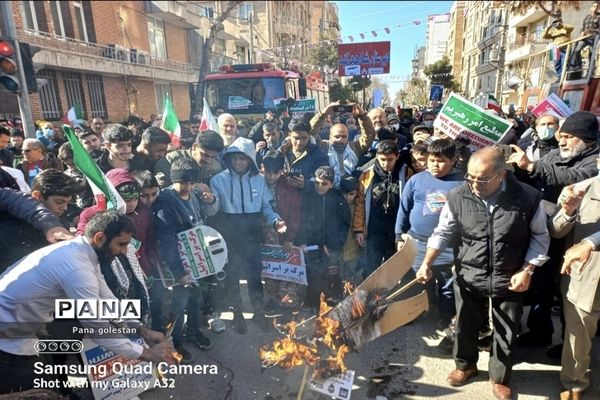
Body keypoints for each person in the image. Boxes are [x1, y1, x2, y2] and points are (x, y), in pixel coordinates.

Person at [416, 147, 550, 400]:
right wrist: (427, 262)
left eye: (482, 178)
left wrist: (528, 269)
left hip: (510, 275)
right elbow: (443, 232)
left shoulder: (528, 197)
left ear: (501, 175)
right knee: (465, 324)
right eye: (470, 177)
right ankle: (465, 366)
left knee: (506, 330)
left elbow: (540, 236)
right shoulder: (458, 196)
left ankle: (499, 377)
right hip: (469, 273)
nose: (475, 183)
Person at [0, 210, 173, 394]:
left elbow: (105, 297)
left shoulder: (82, 253)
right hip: (7, 343)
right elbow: (97, 328)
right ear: (100, 238)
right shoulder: (77, 268)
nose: (124, 251)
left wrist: (141, 329)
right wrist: (147, 353)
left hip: (19, 334)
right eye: (121, 244)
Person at [509, 111, 599, 351]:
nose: (561, 141)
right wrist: (517, 168)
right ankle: (540, 332)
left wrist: (532, 166)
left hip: (580, 239)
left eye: (568, 136)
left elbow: (572, 177)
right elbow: (534, 180)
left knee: (572, 295)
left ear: (586, 139)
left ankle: (572, 348)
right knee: (542, 286)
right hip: (547, 231)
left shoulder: (595, 162)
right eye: (562, 136)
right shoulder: (554, 155)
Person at [210, 137, 287, 334]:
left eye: (242, 159)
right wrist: (209, 201)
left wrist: (276, 221)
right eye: (234, 158)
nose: (238, 162)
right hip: (229, 232)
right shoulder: (218, 180)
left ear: (250, 160)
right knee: (232, 275)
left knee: (254, 274)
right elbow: (213, 209)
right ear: (228, 159)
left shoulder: (259, 180)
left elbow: (266, 207)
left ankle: (258, 312)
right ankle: (236, 314)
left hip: (252, 232)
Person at [153, 158, 219, 360]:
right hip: (179, 264)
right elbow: (167, 243)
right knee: (178, 305)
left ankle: (193, 332)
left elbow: (204, 216)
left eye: (192, 183)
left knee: (196, 300)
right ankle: (176, 342)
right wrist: (179, 273)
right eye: (184, 183)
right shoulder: (165, 203)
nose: (188, 188)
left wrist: (211, 200)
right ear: (174, 180)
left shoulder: (194, 195)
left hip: (198, 258)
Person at [395, 139, 464, 329]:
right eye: (432, 160)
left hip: (448, 247)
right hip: (417, 241)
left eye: (441, 160)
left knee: (447, 287)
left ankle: (445, 317)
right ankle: (417, 312)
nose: (435, 164)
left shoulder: (463, 182)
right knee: (418, 283)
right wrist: (399, 235)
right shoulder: (416, 180)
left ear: (453, 160)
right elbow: (404, 209)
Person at [549, 170, 600, 400]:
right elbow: (556, 231)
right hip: (585, 276)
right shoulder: (582, 189)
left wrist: (591, 242)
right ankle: (575, 382)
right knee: (577, 335)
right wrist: (568, 210)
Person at [296, 166, 350, 304]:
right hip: (311, 247)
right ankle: (311, 310)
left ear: (331, 184)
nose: (320, 186)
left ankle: (332, 310)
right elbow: (301, 221)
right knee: (313, 280)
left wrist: (338, 242)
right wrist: (302, 241)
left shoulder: (338, 199)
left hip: (332, 249)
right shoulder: (308, 196)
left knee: (333, 279)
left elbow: (345, 222)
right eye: (317, 182)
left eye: (324, 184)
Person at [354, 140, 405, 277]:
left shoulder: (405, 172)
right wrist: (358, 229)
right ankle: (368, 295)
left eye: (390, 159)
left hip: (395, 227)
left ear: (397, 156)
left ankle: (389, 296)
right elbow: (360, 202)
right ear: (377, 156)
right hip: (374, 227)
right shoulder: (367, 174)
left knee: (392, 266)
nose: (386, 164)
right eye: (382, 159)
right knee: (371, 265)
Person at [309, 102, 376, 187]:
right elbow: (310, 132)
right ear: (330, 136)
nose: (340, 140)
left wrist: (362, 116)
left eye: (344, 137)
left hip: (350, 193)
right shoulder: (323, 146)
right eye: (336, 137)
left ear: (348, 137)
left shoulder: (355, 147)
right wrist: (323, 114)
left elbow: (369, 135)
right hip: (330, 193)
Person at [154, 130, 224, 188]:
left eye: (213, 157)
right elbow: (160, 190)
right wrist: (194, 187)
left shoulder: (216, 168)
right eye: (205, 155)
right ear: (194, 146)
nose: (208, 161)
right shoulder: (170, 161)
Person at [280, 118, 329, 192]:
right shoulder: (280, 152)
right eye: (296, 138)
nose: (299, 142)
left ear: (309, 135)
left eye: (304, 138)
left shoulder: (319, 156)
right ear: (289, 135)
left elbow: (325, 181)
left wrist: (306, 184)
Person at [339, 176, 362, 285]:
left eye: (351, 194)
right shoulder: (336, 204)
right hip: (338, 251)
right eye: (345, 193)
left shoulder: (359, 208)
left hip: (354, 250)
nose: (347, 197)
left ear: (357, 193)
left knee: (353, 280)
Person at [569, 1, 600, 71]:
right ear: (591, 8)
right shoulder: (587, 17)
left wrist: (592, 32)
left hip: (594, 38)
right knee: (577, 50)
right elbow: (583, 27)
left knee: (592, 54)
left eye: (597, 6)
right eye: (594, 6)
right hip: (585, 38)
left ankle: (591, 69)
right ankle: (579, 66)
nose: (596, 8)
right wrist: (582, 32)